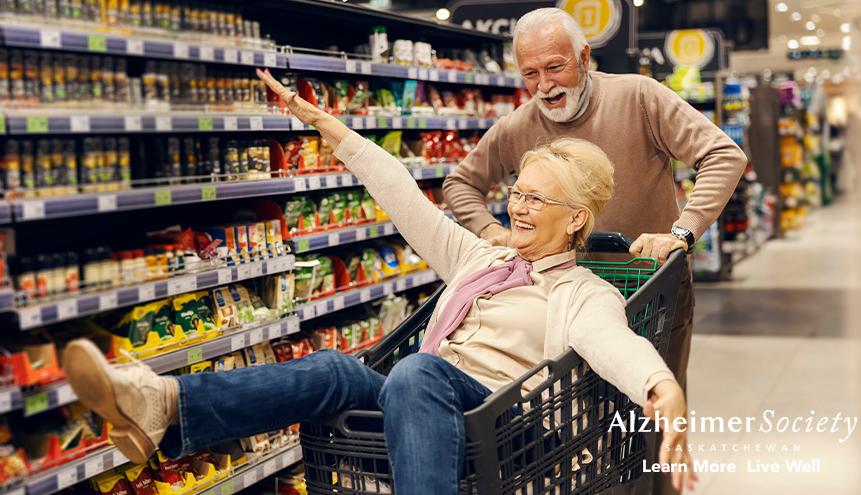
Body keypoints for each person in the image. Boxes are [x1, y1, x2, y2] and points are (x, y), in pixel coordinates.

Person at [62, 68, 697, 495]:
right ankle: (160, 405)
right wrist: (326, 126)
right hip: (426, 416)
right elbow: (401, 193)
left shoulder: (581, 292)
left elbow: (615, 342)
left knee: (416, 371)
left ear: (577, 218)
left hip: (507, 435)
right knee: (335, 370)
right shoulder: (478, 258)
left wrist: (661, 389)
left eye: (538, 200)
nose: (519, 208)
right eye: (518, 194)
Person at [442, 11, 746, 492]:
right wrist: (488, 230)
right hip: (561, 303)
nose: (545, 85)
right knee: (573, 430)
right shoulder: (519, 126)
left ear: (585, 56)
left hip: (651, 297)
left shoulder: (638, 97)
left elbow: (723, 154)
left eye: (556, 67)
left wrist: (682, 232)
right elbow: (460, 182)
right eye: (530, 74)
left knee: (648, 423)